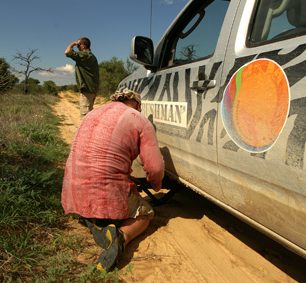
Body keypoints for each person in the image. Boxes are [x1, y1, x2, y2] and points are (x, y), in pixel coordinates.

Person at [61, 88, 165, 272]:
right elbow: (155, 167)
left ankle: (93, 222)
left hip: (73, 190)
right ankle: (120, 238)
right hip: (104, 193)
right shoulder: (139, 119)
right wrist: (156, 185)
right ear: (138, 105)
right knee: (146, 214)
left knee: (91, 204)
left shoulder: (92, 113)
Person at [64, 37, 99, 117]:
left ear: (83, 45)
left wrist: (73, 43)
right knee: (89, 115)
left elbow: (67, 52)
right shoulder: (91, 56)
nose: (77, 47)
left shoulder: (85, 55)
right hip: (92, 89)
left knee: (85, 117)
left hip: (87, 90)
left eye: (78, 45)